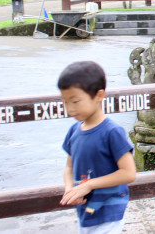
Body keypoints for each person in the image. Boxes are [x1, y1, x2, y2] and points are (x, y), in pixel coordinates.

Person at [58, 61, 136, 234]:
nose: (70, 109)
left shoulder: (112, 132)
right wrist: (70, 188)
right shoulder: (74, 131)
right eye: (65, 102)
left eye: (75, 101)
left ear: (99, 95)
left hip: (109, 212)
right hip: (85, 211)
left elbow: (129, 173)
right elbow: (69, 167)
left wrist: (89, 185)